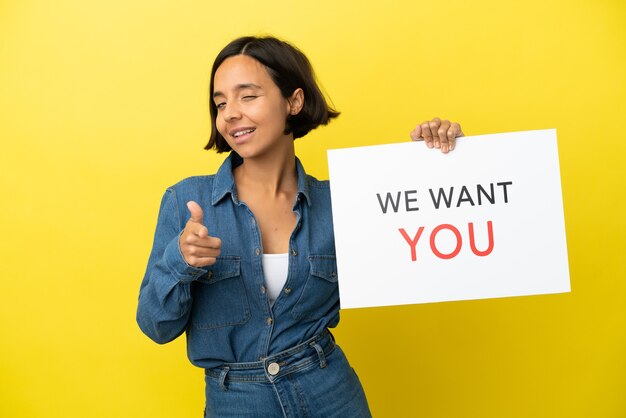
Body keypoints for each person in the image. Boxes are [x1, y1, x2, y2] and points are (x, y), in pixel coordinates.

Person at [136, 35, 463, 418]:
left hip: (331, 395)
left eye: (248, 96)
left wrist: (434, 163)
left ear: (294, 101)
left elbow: (422, 252)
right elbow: (155, 326)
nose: (230, 114)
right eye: (221, 103)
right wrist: (180, 260)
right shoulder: (188, 202)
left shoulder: (343, 203)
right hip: (236, 403)